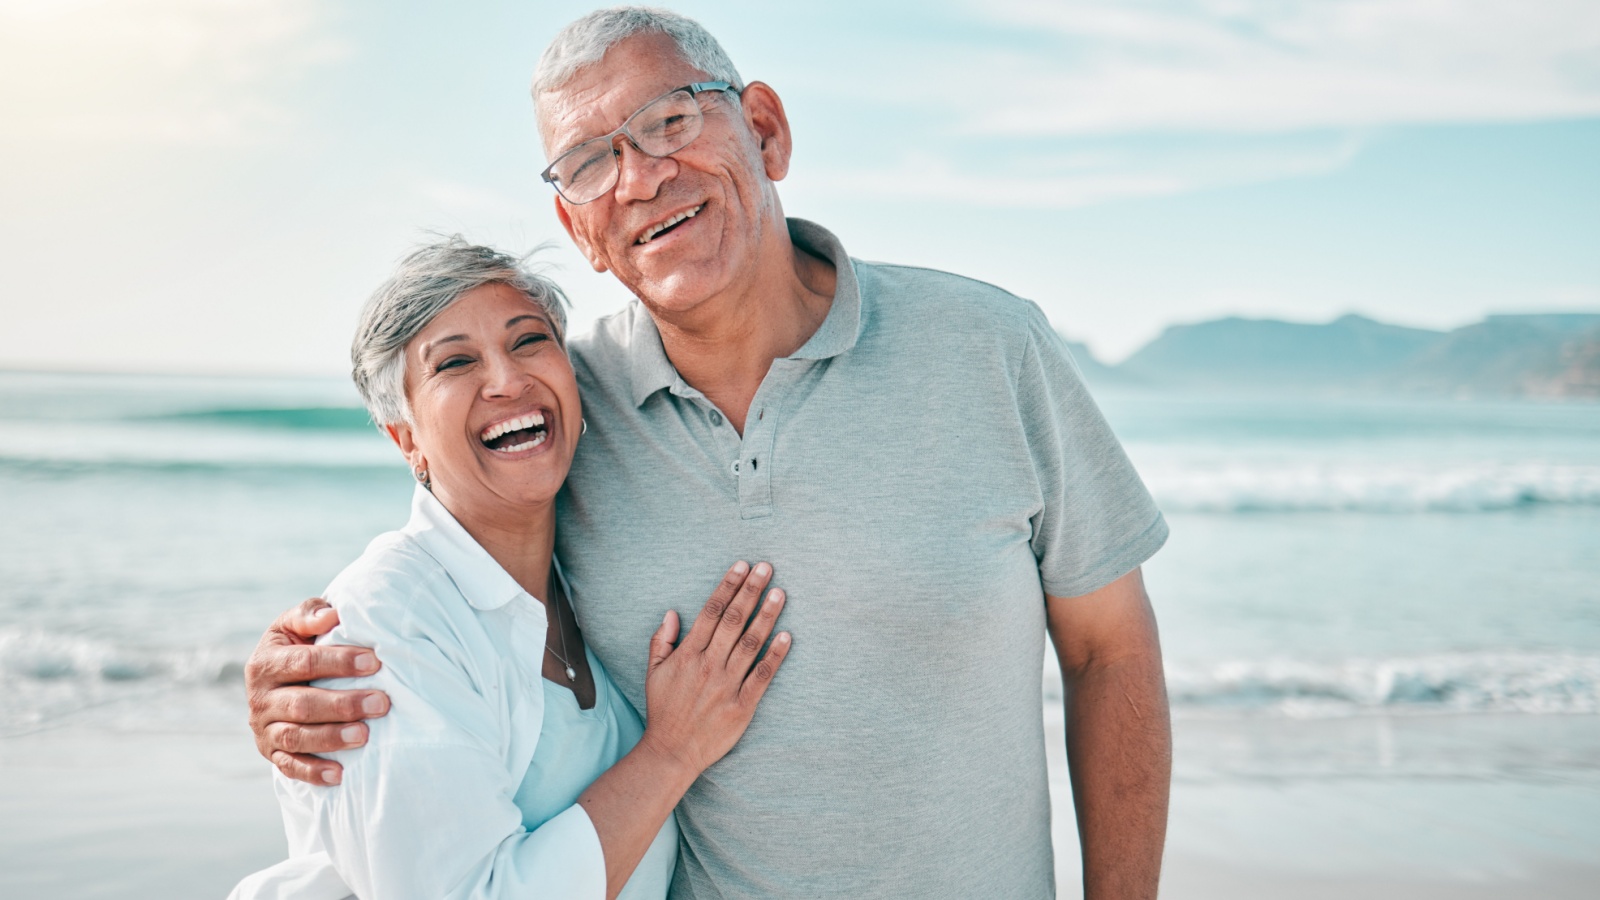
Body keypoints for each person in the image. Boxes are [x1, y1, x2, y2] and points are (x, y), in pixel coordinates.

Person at [244, 7, 1173, 898]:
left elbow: (1110, 653)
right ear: (579, 231)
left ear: (764, 129)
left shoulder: (990, 347)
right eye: (589, 163)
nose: (641, 177)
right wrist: (306, 673)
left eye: (669, 120)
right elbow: (458, 548)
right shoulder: (571, 404)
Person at [230, 239, 791, 900]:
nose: (507, 380)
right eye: (456, 362)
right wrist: (671, 755)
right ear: (405, 437)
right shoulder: (386, 624)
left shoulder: (587, 566)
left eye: (528, 341)